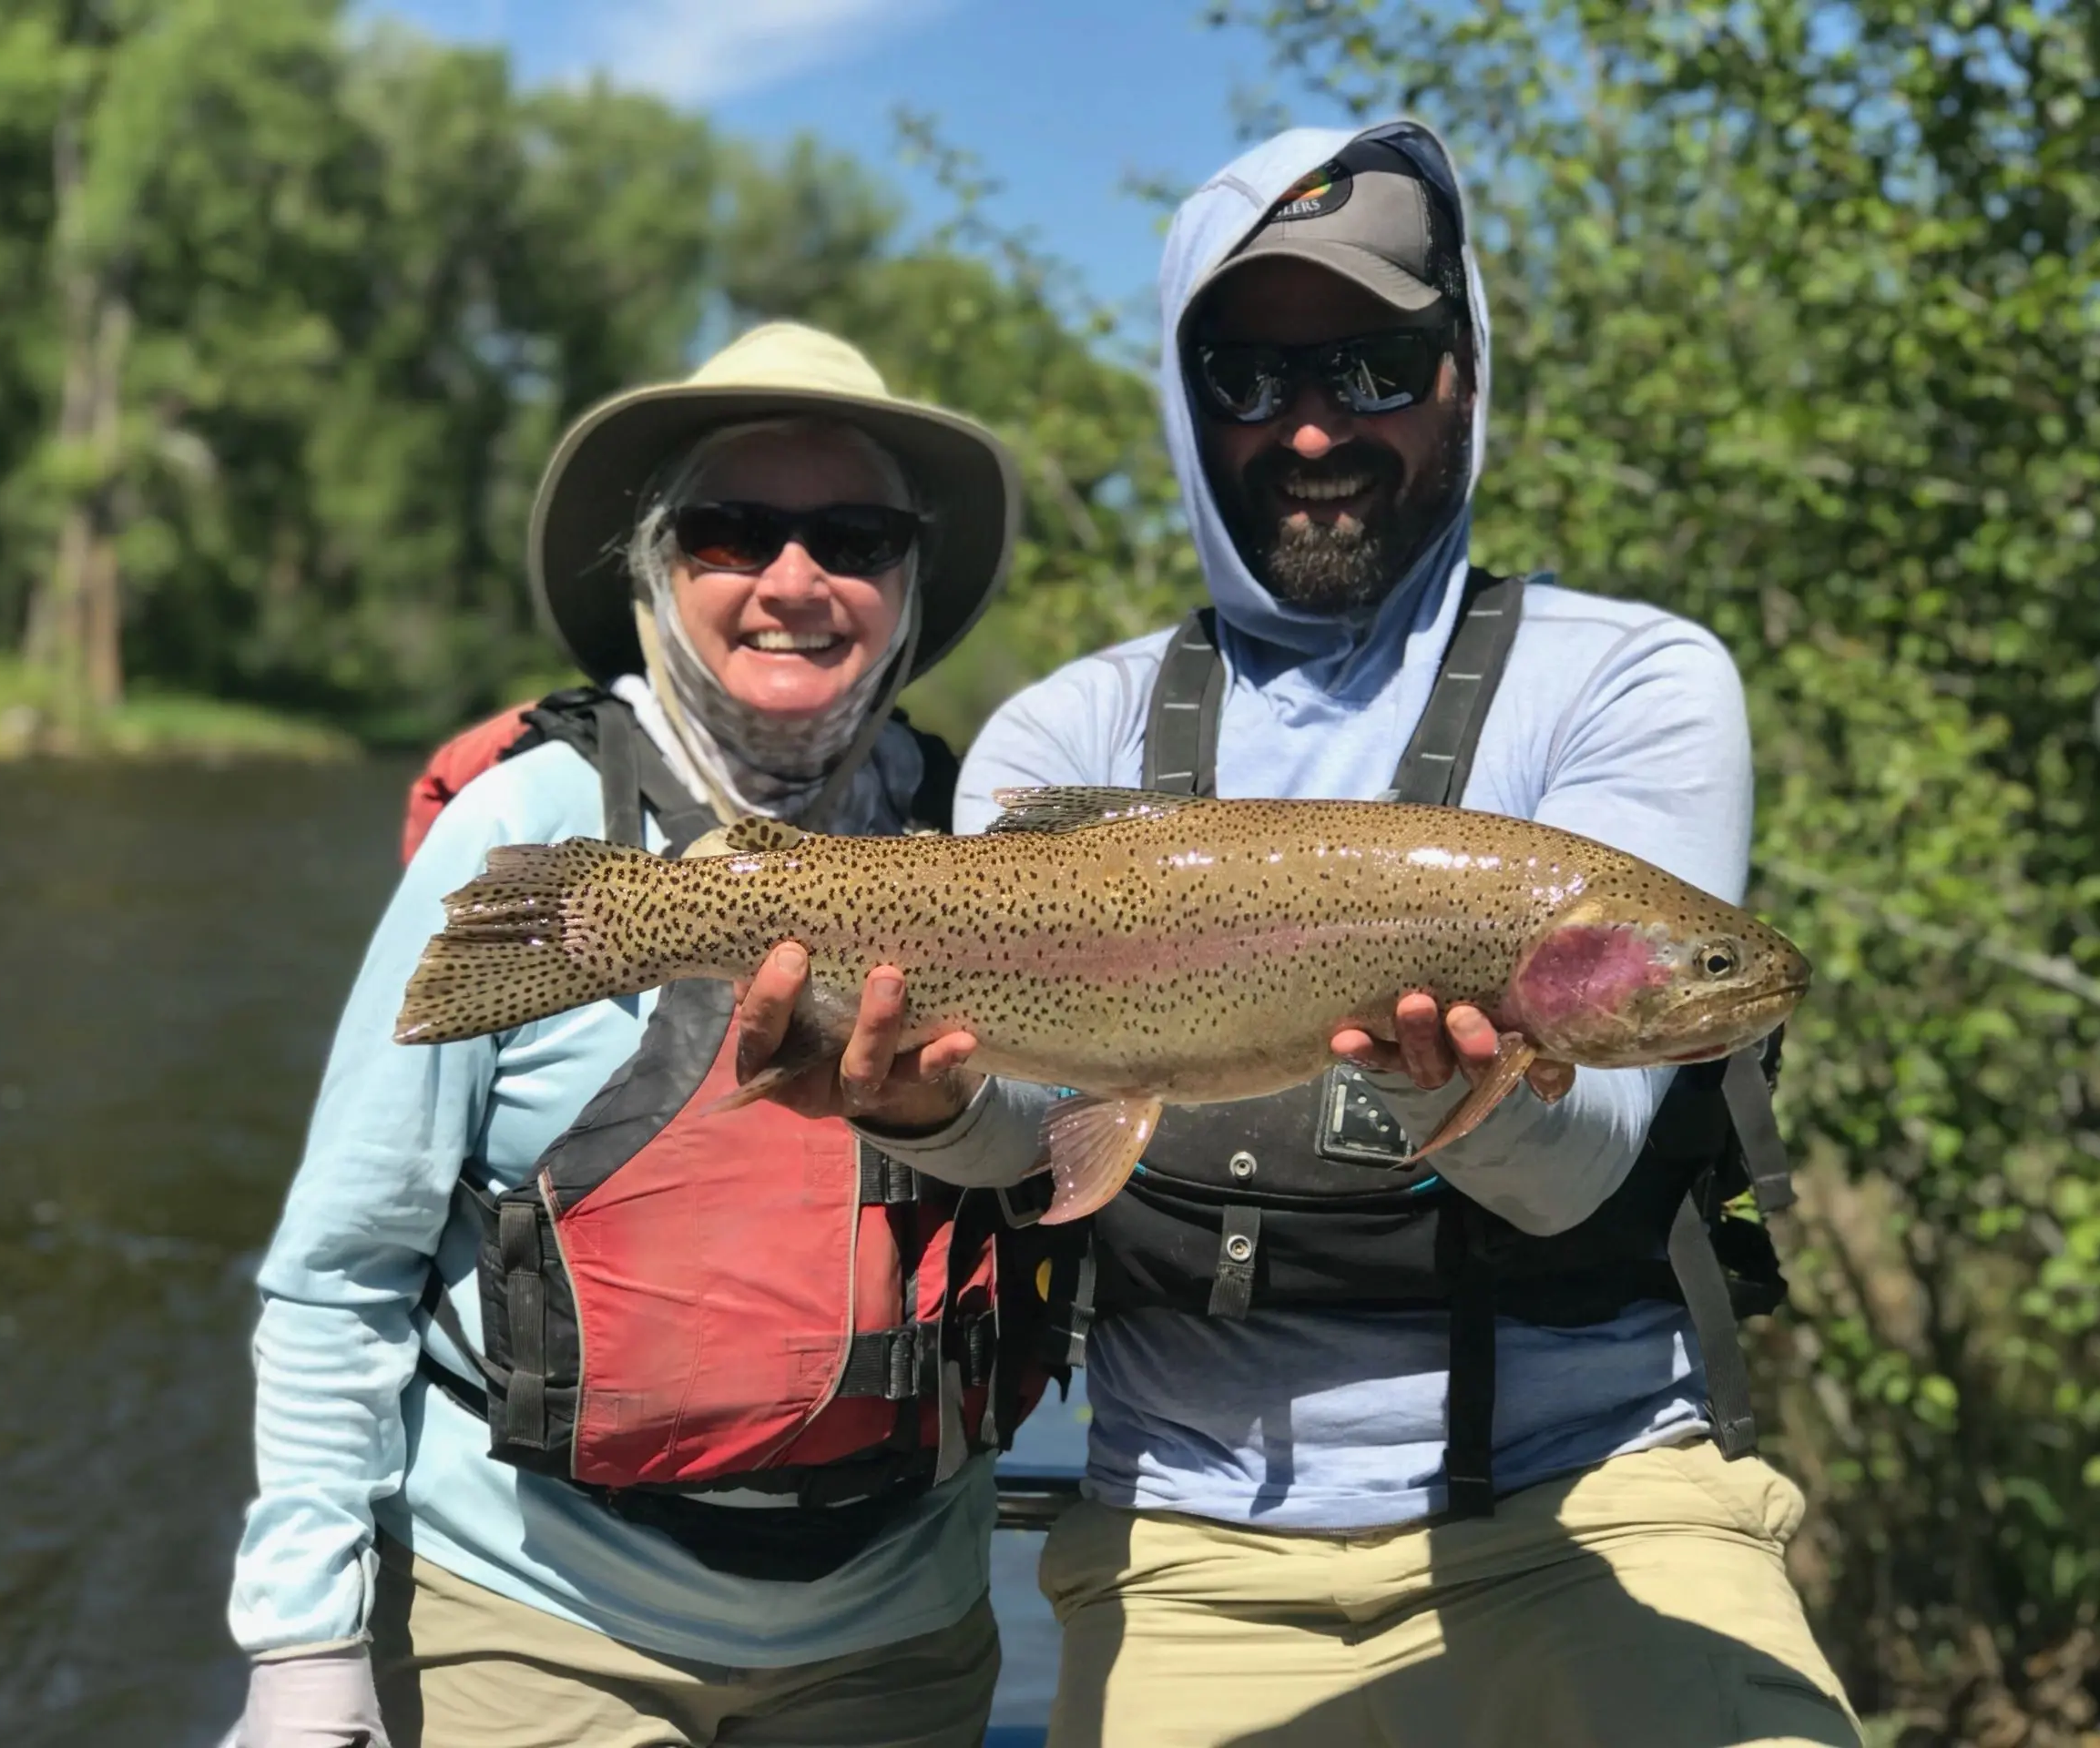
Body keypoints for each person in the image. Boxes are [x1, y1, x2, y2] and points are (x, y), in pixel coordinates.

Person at [759, 125, 1865, 1746]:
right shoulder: (1069, 729)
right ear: (1183, 398)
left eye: (1375, 362)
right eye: (1249, 378)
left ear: (1466, 372)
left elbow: (1590, 1157)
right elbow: (1025, 1138)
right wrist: (915, 1105)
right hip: (1189, 1550)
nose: (1315, 425)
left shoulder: (1632, 681)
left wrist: (1450, 1093)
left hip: (1601, 1513)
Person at [227, 321, 1048, 1748]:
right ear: (660, 573)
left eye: (854, 536)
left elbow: (1056, 1162)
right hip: (535, 1628)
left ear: (908, 584)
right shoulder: (519, 829)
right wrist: (304, 1642)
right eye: (736, 531)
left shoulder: (989, 841)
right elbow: (342, 1271)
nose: (795, 580)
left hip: (897, 1646)